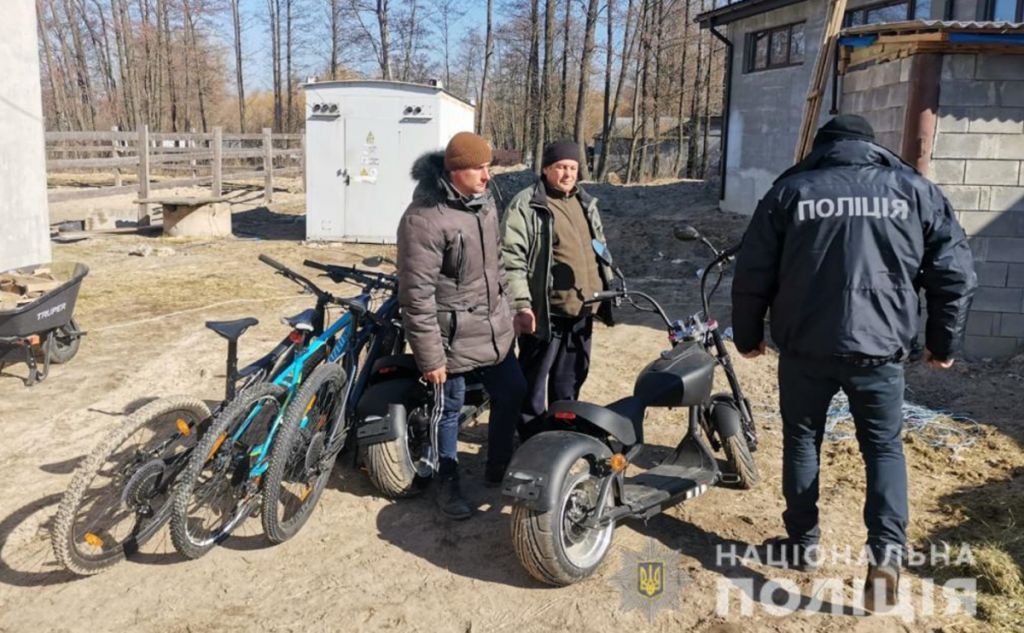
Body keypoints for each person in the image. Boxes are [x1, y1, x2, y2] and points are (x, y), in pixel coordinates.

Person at [731, 115, 977, 612]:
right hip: (879, 350)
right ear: (871, 147)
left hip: (806, 347)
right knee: (883, 449)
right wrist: (942, 343)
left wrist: (748, 335)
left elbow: (752, 271)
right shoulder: (914, 191)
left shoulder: (791, 191)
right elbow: (954, 273)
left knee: (802, 440)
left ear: (823, 147)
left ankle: (802, 544)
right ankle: (885, 557)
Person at [396, 131, 527, 521]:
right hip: (449, 338)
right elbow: (416, 297)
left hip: (492, 329)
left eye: (488, 167)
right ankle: (446, 481)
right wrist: (430, 357)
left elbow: (497, 266)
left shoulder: (483, 204)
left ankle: (498, 465)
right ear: (455, 171)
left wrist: (512, 310)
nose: (487, 176)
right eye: (479, 169)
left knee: (513, 390)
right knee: (448, 410)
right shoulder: (423, 219)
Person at [501, 140, 615, 437]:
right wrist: (522, 305)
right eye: (561, 167)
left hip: (582, 310)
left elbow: (599, 246)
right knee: (533, 382)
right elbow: (511, 259)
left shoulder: (584, 202)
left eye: (573, 168)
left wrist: (608, 281)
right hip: (546, 313)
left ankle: (561, 434)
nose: (568, 174)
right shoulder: (527, 205)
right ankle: (531, 437)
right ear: (546, 169)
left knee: (570, 379)